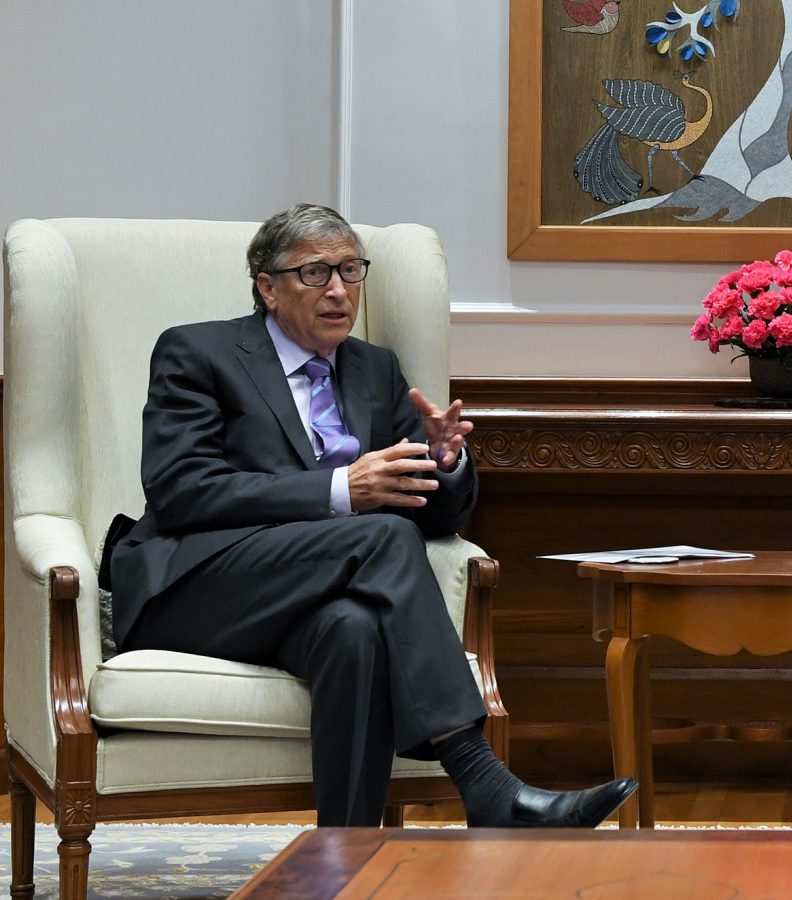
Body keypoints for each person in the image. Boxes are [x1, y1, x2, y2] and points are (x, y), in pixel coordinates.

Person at [108, 203, 637, 828]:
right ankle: (482, 779)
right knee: (382, 535)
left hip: (315, 590)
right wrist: (338, 489)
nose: (338, 290)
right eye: (315, 273)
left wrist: (445, 463)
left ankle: (347, 860)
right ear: (267, 288)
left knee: (353, 630)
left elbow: (432, 518)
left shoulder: (373, 369)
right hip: (198, 588)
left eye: (351, 270)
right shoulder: (198, 352)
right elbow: (181, 490)